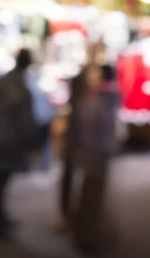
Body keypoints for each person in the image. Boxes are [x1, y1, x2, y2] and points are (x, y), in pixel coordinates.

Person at [0, 48, 38, 238]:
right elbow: (25, 121)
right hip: (6, 143)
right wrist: (31, 144)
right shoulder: (19, 88)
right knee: (0, 184)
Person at [72, 64, 119, 255]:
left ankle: (86, 235)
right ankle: (87, 236)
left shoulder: (93, 100)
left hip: (93, 152)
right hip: (98, 153)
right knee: (93, 196)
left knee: (91, 195)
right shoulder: (105, 99)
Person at [60, 66, 89, 225]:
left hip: (76, 149)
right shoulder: (83, 107)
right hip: (78, 149)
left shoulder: (79, 107)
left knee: (71, 182)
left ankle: (69, 216)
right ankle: (70, 218)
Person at [25, 65, 57, 173]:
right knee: (45, 143)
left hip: (36, 119)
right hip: (44, 119)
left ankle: (30, 165)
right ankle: (45, 165)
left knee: (35, 143)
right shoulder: (41, 87)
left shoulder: (31, 88)